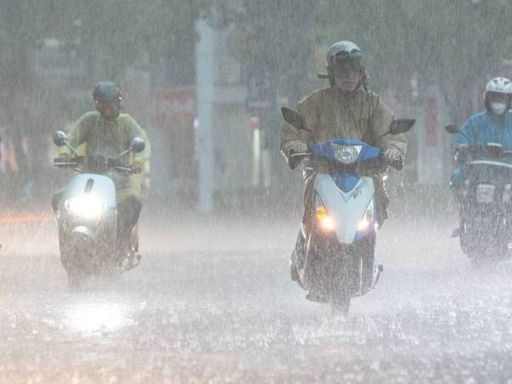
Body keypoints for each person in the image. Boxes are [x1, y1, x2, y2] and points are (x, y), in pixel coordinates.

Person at [280, 41, 407, 279]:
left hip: (365, 174)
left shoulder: (373, 104)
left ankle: (370, 255)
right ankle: (302, 249)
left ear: (361, 74)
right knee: (311, 212)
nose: (348, 77)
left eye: (353, 72)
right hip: (323, 170)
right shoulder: (315, 103)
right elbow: (296, 129)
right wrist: (295, 146)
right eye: (341, 72)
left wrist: (393, 150)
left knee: (376, 210)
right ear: (331, 74)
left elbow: (390, 133)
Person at [53, 81, 151, 266]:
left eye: (111, 103)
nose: (107, 107)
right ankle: (67, 243)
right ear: (96, 104)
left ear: (118, 102)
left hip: (120, 182)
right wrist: (65, 154)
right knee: (58, 200)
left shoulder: (127, 123)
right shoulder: (89, 121)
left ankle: (120, 247)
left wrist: (138, 161)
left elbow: (142, 143)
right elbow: (72, 138)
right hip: (88, 180)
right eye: (103, 103)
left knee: (132, 204)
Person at [451, 76, 512, 190]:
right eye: (495, 97)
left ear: (509, 101)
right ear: (487, 99)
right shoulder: (475, 121)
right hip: (478, 167)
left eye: (502, 98)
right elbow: (463, 137)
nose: (498, 101)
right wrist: (462, 147)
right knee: (457, 177)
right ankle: (464, 204)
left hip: (508, 168)